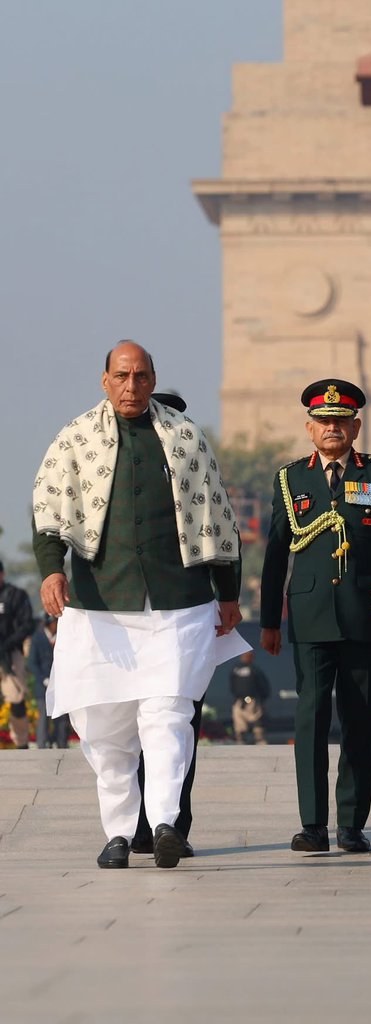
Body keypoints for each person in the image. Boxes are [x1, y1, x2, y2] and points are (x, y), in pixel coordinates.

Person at [32, 340, 247, 870]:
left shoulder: (186, 437)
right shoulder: (75, 439)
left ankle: (167, 822)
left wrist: (231, 595)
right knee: (105, 730)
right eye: (122, 376)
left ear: (153, 380)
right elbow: (49, 512)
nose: (132, 386)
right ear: (105, 379)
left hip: (177, 603)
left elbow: (218, 520)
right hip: (99, 603)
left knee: (169, 715)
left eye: (141, 376)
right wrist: (51, 571)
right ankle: (119, 832)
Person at [259, 378, 371, 855]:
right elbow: (276, 554)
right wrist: (269, 620)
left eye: (341, 421)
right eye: (324, 422)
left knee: (361, 721)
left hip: (366, 613)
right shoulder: (291, 480)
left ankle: (351, 824)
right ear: (310, 428)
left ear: (356, 426)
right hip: (310, 615)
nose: (332, 429)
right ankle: (312, 825)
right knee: (311, 719)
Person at [129, 392, 204, 861]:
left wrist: (227, 599)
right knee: (131, 729)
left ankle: (171, 826)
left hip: (183, 617)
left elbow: (221, 537)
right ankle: (134, 826)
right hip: (128, 621)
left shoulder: (197, 471)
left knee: (178, 727)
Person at [0, 560, 34, 749]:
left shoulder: (14, 596)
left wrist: (7, 643)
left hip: (10, 654)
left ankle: (21, 743)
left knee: (17, 700)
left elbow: (27, 624)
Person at [27, 614, 70, 748]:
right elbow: (32, 663)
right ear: (48, 624)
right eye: (54, 622)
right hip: (43, 685)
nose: (56, 625)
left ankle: (62, 744)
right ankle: (42, 745)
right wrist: (43, 678)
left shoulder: (63, 637)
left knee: (62, 717)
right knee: (44, 717)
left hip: (61, 684)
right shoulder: (37, 639)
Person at [230, 651, 271, 744]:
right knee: (239, 720)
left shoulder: (255, 670)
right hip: (239, 700)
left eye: (248, 656)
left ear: (252, 657)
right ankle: (240, 739)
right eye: (243, 655)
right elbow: (232, 684)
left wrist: (262, 699)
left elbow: (264, 685)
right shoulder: (236, 669)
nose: (245, 657)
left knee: (256, 720)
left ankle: (259, 739)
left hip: (253, 700)